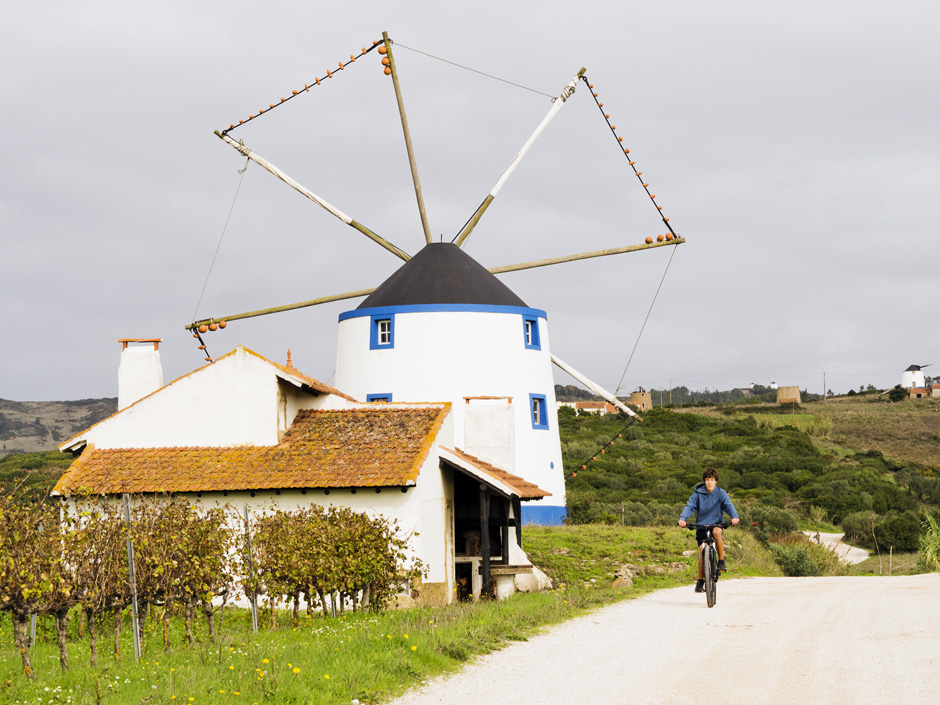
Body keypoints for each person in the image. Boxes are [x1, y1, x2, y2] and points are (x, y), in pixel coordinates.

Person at [678, 467, 740, 593]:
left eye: (712, 480)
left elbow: (728, 505)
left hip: (716, 524)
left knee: (717, 532)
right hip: (701, 526)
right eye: (707, 480)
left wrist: (734, 517)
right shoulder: (698, 493)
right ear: (704, 481)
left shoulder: (721, 493)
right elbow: (690, 506)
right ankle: (700, 580)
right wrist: (683, 518)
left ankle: (721, 561)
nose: (709, 482)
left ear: (716, 481)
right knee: (702, 551)